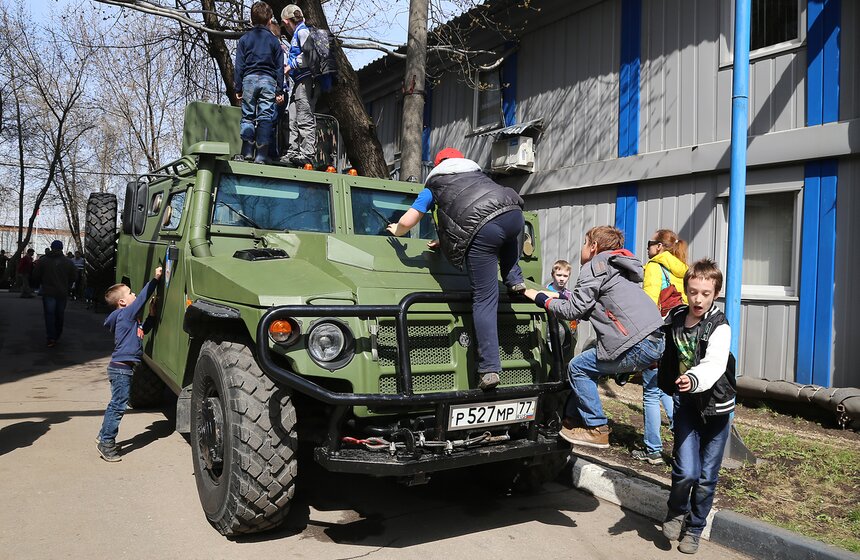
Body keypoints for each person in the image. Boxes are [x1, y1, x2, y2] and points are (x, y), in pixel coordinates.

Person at [387, 148, 527, 391]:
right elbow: (479, 211)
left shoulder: (435, 185)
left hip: (484, 229)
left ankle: (490, 369)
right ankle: (514, 278)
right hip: (514, 214)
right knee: (505, 235)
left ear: (439, 165)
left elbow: (410, 219)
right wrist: (448, 240)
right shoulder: (478, 175)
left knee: (484, 299)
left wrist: (396, 231)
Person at [523, 226, 665, 448]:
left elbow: (573, 309)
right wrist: (554, 295)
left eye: (584, 242)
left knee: (577, 367)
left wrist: (542, 300)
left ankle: (597, 428)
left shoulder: (595, 266)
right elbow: (591, 303)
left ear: (593, 246)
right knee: (588, 363)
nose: (581, 249)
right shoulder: (615, 268)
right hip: (654, 339)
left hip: (637, 343)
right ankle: (571, 420)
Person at [659, 259, 735, 554]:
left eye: (705, 293)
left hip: (716, 407)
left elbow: (715, 362)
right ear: (686, 290)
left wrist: (693, 377)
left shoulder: (720, 326)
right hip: (687, 405)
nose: (698, 299)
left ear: (715, 293)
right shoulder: (675, 317)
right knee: (686, 471)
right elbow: (655, 341)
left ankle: (694, 528)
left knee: (705, 478)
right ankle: (676, 512)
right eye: (693, 292)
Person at [96, 266, 162, 462]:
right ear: (123, 302)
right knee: (118, 405)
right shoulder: (125, 314)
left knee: (116, 404)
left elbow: (143, 331)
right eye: (130, 293)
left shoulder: (130, 320)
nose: (134, 294)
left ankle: (103, 436)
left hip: (122, 368)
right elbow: (142, 297)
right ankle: (106, 442)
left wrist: (150, 316)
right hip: (121, 369)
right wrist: (155, 279)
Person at [634, 229, 688, 464]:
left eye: (650, 243)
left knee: (651, 392)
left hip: (657, 334)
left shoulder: (655, 266)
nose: (647, 248)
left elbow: (648, 303)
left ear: (659, 247)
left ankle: (653, 449)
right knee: (668, 387)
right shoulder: (683, 268)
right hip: (679, 337)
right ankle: (681, 442)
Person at [234, 1, 286, 164]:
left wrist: (238, 86)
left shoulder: (244, 39)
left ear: (251, 20)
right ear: (270, 20)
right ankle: (262, 155)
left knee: (248, 115)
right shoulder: (274, 41)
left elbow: (239, 65)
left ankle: (247, 150)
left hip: (249, 80)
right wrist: (279, 90)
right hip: (268, 81)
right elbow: (279, 67)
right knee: (265, 117)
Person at [282, 4, 316, 167]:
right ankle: (293, 151)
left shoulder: (302, 32)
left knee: (304, 116)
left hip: (306, 80)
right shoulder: (298, 33)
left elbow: (310, 54)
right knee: (293, 117)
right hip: (298, 82)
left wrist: (291, 65)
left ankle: (307, 153)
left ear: (287, 21)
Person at [31, 240, 78, 347]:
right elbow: (74, 276)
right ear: (61, 248)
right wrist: (68, 285)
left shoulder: (43, 261)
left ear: (51, 247)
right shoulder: (68, 262)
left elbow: (35, 275)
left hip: (48, 292)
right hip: (62, 292)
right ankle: (57, 334)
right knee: (59, 314)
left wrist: (42, 283)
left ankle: (51, 337)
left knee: (49, 315)